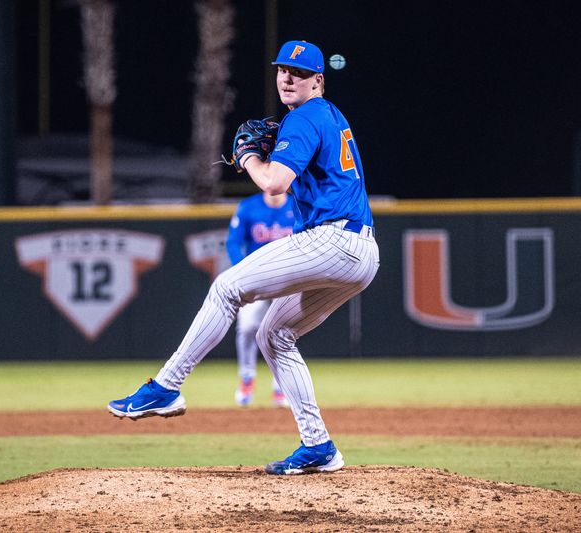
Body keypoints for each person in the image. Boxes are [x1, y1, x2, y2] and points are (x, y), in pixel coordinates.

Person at [108, 39, 379, 475]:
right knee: (274, 336)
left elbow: (274, 182)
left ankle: (166, 386)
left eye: (300, 72)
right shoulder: (330, 115)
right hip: (361, 252)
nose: (288, 78)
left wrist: (249, 156)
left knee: (226, 287)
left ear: (318, 81)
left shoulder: (306, 117)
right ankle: (319, 447)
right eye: (282, 71)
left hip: (335, 240)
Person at [226, 191, 294, 408]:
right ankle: (247, 378)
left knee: (282, 333)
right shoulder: (248, 206)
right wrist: (244, 270)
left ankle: (280, 386)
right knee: (247, 327)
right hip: (257, 278)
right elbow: (233, 243)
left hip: (289, 279)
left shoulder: (299, 205)